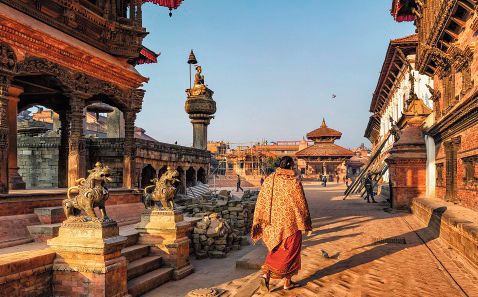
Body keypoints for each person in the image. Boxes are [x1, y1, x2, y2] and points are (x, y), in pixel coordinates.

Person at [252, 156, 312, 292]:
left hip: (273, 225)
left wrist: (261, 221)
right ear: (291, 167)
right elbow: (301, 204)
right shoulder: (294, 182)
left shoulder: (269, 180)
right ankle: (287, 282)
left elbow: (261, 201)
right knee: (291, 253)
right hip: (291, 225)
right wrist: (306, 221)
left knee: (276, 250)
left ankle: (266, 274)